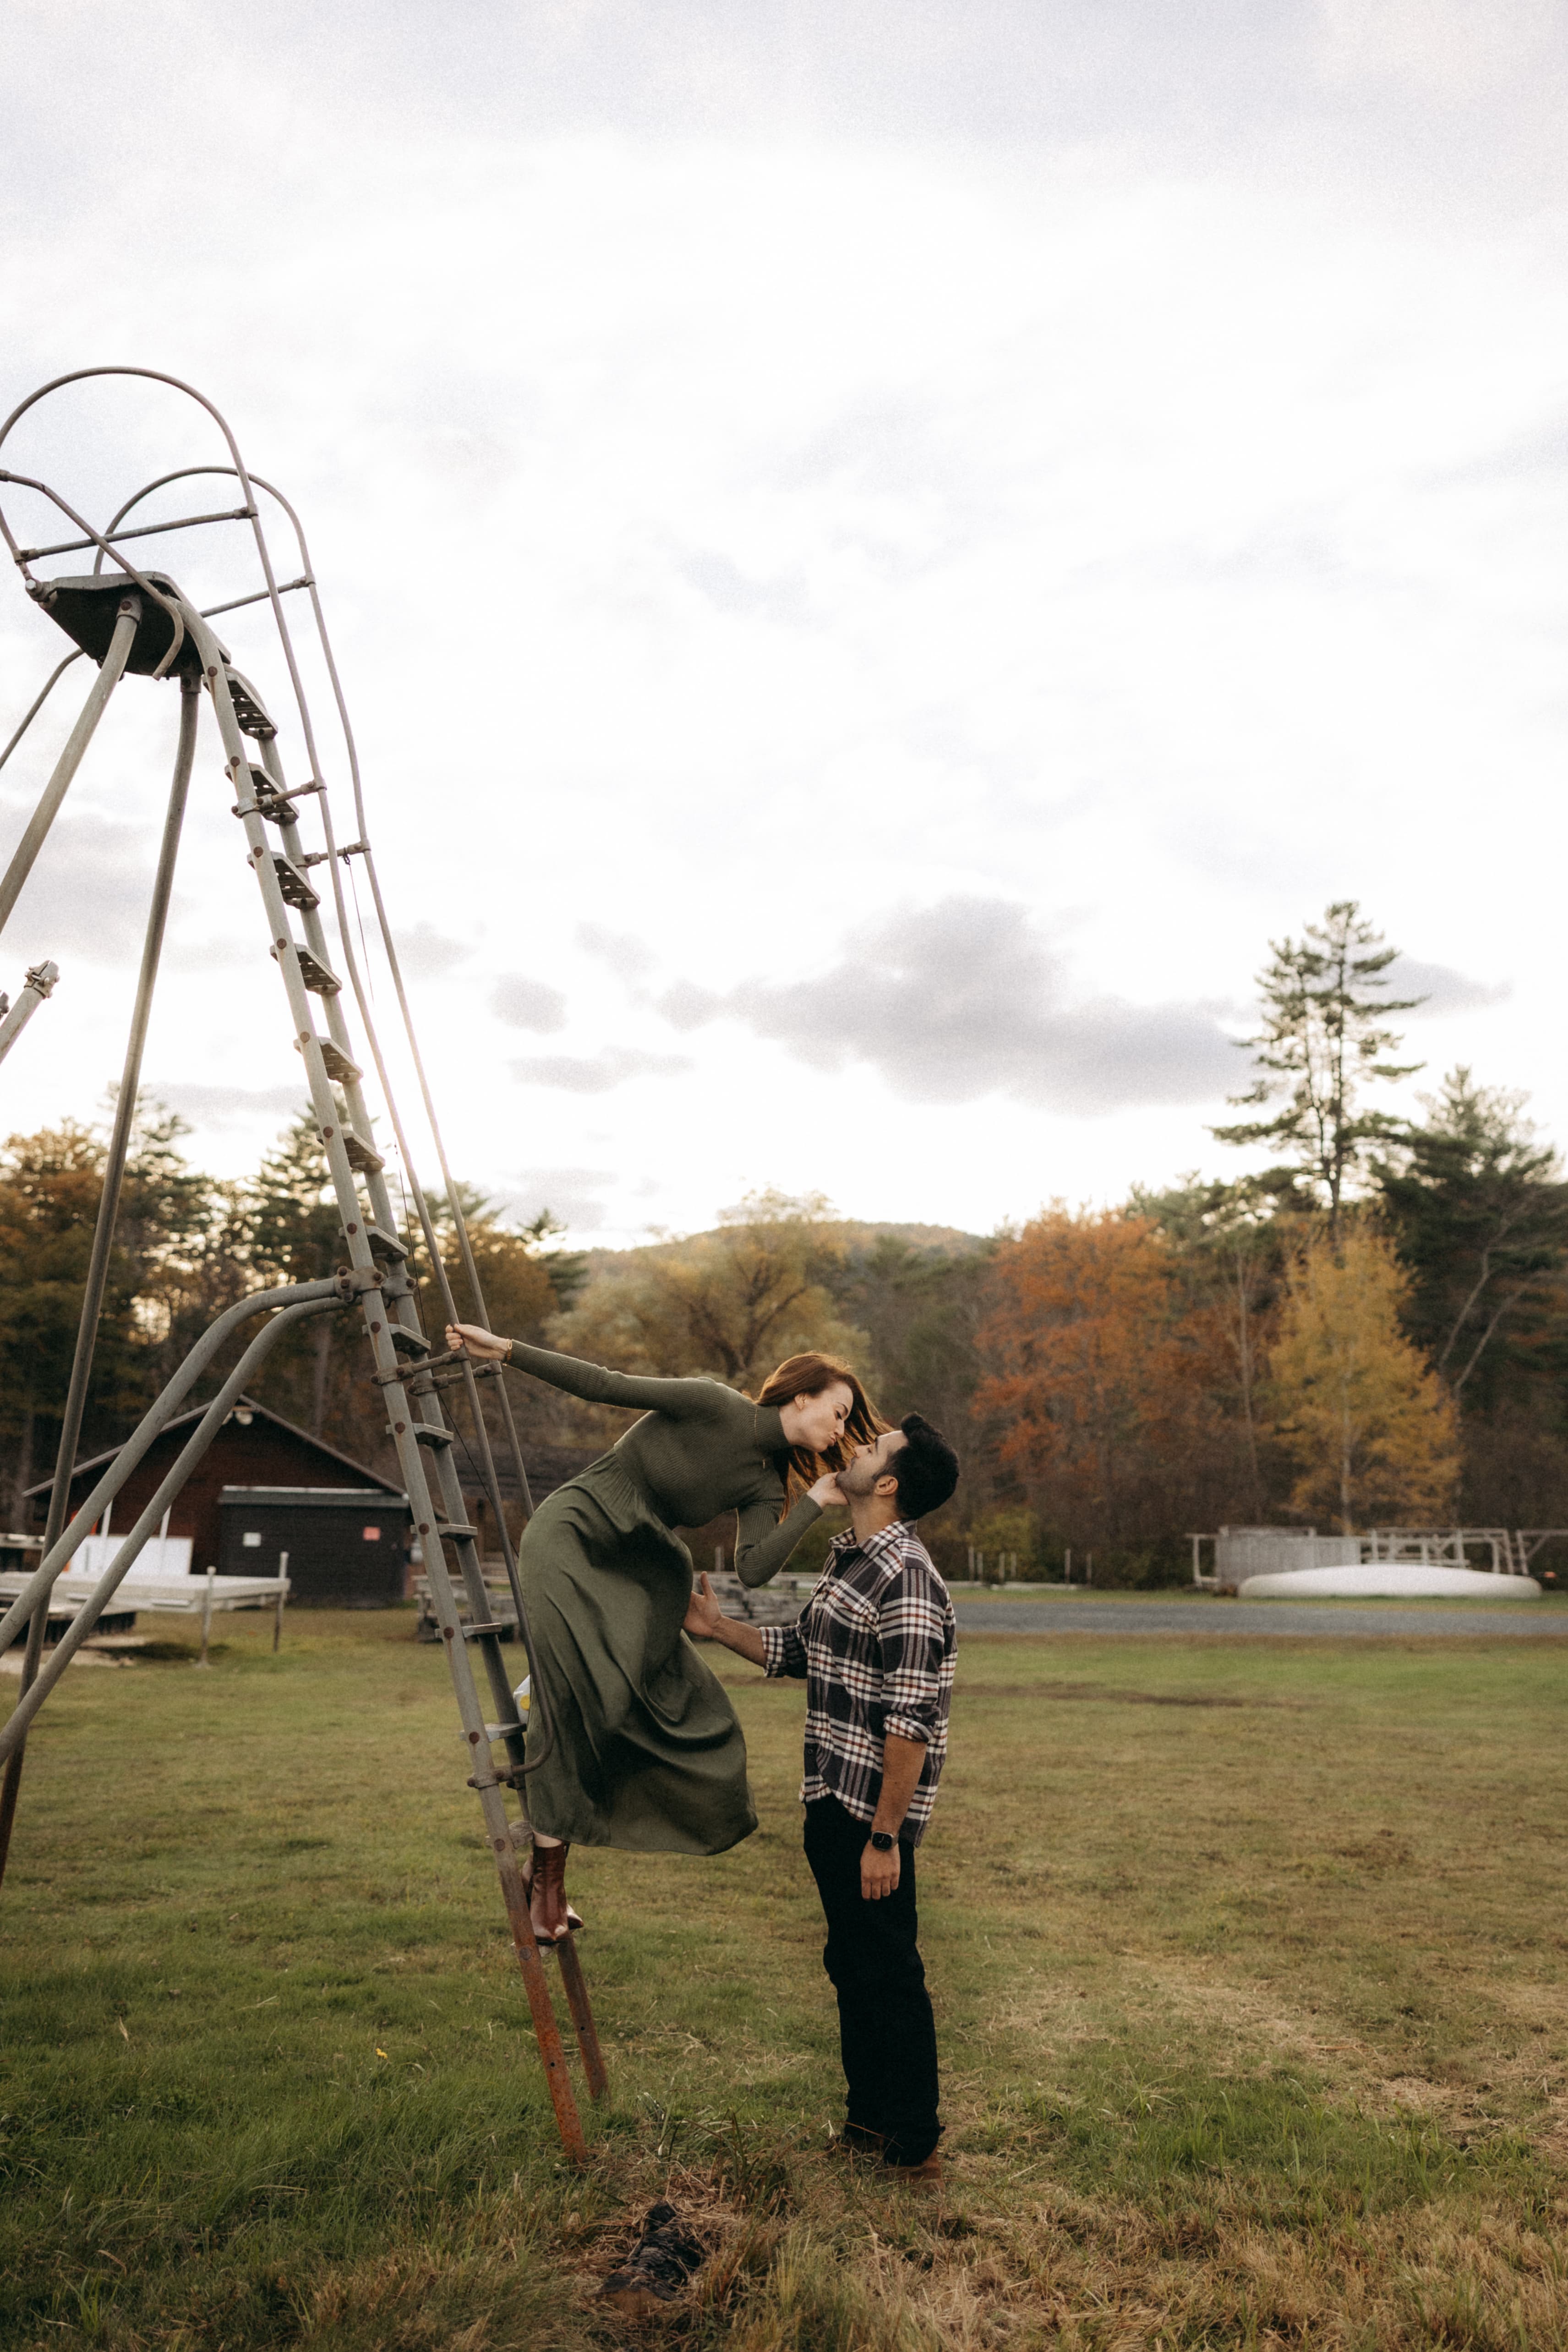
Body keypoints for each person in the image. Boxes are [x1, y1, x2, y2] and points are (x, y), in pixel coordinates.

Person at [445, 1321, 884, 1943]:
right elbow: (605, 1384)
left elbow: (755, 1570)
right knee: (573, 1701)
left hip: (644, 1570)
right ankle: (549, 1885)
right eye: (838, 1412)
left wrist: (812, 1499)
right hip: (576, 1530)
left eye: (847, 1422)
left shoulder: (767, 1483)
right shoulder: (713, 1402)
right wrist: (508, 1350)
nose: (840, 1430)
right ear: (801, 1395)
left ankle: (541, 1719)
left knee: (640, 1705)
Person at [683, 1411, 959, 2191]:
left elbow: (911, 1723)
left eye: (874, 1448)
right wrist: (715, 1626)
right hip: (828, 1797)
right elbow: (803, 1649)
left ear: (891, 1483)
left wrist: (885, 1836)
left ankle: (914, 2147)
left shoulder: (906, 1576)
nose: (857, 1448)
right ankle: (868, 2123)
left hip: (872, 1816)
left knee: (890, 1972)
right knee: (852, 1965)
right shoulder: (855, 1561)